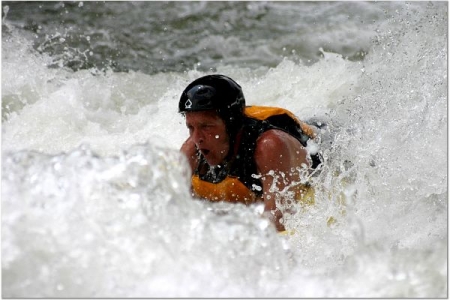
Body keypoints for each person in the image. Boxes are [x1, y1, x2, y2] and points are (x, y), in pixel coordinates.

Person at [179, 74, 321, 232]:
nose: (197, 138)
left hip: (323, 144)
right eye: (191, 127)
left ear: (231, 125)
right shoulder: (192, 151)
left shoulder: (269, 147)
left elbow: (280, 223)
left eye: (206, 126)